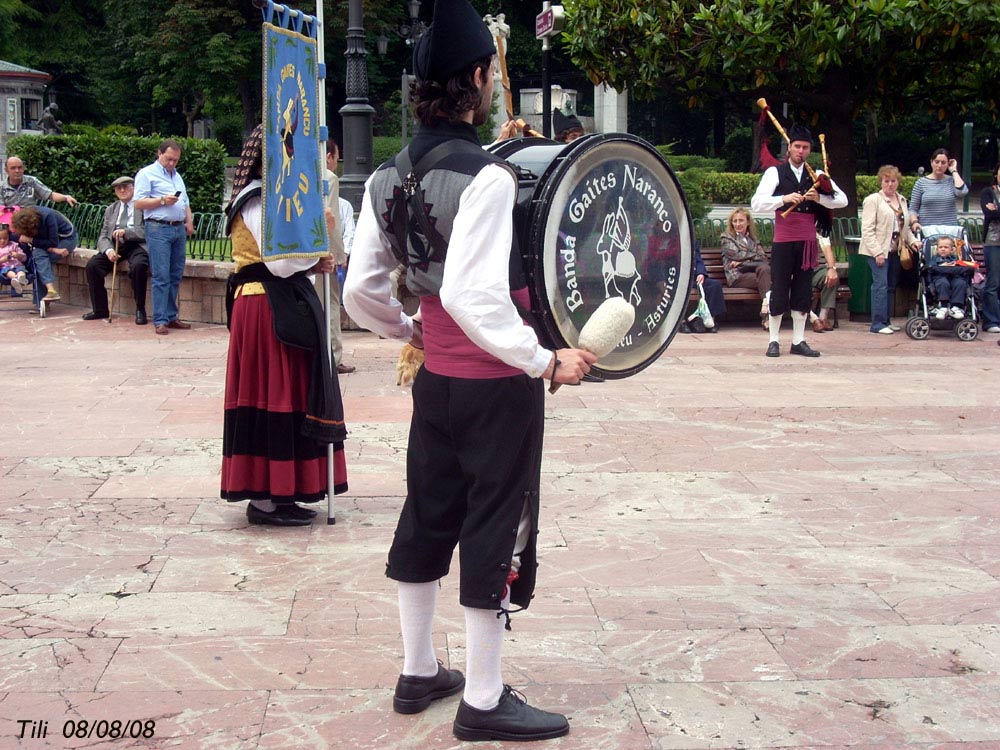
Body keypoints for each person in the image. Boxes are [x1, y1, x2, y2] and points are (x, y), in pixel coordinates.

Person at [343, 0, 594, 740]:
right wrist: (545, 358)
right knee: (493, 524)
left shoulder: (386, 176)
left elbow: (361, 289)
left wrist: (410, 327)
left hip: (436, 381)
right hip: (492, 387)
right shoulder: (484, 178)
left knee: (428, 512)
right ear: (480, 79)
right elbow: (478, 297)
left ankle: (418, 671)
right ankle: (483, 699)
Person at [221, 125, 348, 527]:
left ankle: (284, 490)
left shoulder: (273, 197)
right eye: (292, 150)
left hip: (280, 302)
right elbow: (278, 262)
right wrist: (315, 252)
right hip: (264, 304)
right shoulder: (257, 199)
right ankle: (265, 498)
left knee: (289, 394)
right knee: (270, 395)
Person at [750, 125, 846, 358]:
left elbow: (842, 200)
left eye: (805, 148)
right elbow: (756, 203)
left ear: (809, 150)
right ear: (789, 148)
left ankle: (798, 340)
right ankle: (773, 340)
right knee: (779, 288)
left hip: (807, 242)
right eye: (797, 147)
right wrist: (783, 198)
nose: (801, 151)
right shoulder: (775, 173)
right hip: (783, 239)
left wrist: (820, 198)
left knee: (803, 290)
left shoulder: (817, 176)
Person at [133, 139, 194, 335]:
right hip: (158, 228)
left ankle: (171, 315)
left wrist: (189, 221)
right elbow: (138, 203)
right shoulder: (146, 174)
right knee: (161, 275)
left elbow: (185, 201)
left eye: (175, 160)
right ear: (159, 154)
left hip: (178, 229)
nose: (172, 164)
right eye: (168, 159)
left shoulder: (177, 177)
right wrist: (161, 200)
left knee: (176, 274)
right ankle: (160, 319)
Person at [859, 165, 921, 335]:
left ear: (898, 182)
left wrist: (914, 241)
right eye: (886, 181)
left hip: (896, 250)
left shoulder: (901, 200)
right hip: (878, 250)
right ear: (881, 182)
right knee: (880, 285)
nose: (890, 184)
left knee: (891, 286)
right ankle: (877, 323)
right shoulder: (873, 200)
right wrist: (877, 252)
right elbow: (867, 229)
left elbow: (905, 227)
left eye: (893, 181)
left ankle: (886, 320)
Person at [314, 139, 356, 374]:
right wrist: (338, 255)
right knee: (329, 302)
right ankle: (332, 355)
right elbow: (331, 222)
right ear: (328, 156)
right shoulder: (327, 179)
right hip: (322, 253)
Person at [83, 176, 149, 324]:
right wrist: (108, 251)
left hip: (138, 245)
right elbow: (103, 235)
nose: (122, 190)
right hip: (116, 244)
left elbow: (148, 232)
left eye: (126, 186)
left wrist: (127, 232)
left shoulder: (143, 206)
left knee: (138, 267)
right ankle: (100, 310)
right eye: (118, 188)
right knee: (93, 266)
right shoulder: (111, 209)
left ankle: (140, 309)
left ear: (134, 188)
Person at [10, 206, 77, 302]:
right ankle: (45, 297)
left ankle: (43, 299)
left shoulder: (48, 217)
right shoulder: (23, 217)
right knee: (36, 257)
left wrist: (31, 240)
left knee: (39, 256)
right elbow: (15, 236)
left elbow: (52, 242)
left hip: (67, 239)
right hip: (47, 242)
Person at [719, 207, 771, 325]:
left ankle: (766, 310)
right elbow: (737, 256)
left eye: (741, 220)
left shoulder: (753, 239)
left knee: (765, 269)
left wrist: (743, 263)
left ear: (748, 222)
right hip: (737, 277)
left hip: (755, 275)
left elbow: (763, 258)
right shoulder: (726, 238)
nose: (738, 224)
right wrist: (751, 258)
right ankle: (768, 315)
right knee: (769, 279)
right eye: (735, 221)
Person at [909, 148, 968, 233]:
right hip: (926, 231)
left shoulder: (952, 181)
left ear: (948, 164)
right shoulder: (921, 183)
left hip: (949, 232)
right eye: (937, 162)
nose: (939, 165)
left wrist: (954, 171)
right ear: (931, 162)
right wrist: (915, 222)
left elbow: (962, 192)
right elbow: (913, 209)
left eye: (943, 163)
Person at [680, 240, 725, 333]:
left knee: (715, 285)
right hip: (679, 278)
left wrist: (701, 273)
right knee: (680, 290)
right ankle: (682, 322)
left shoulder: (692, 240)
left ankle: (710, 322)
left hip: (694, 278)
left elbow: (698, 260)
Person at [0, 156, 78, 208]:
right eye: (13, 168)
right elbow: (1, 210)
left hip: (30, 219)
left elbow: (49, 195)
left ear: (23, 169)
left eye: (19, 168)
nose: (17, 171)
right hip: (10, 219)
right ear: (6, 170)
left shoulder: (31, 181)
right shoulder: (1, 187)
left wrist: (65, 197)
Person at [927, 235, 970, 320]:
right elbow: (929, 268)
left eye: (946, 247)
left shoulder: (956, 259)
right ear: (937, 249)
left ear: (952, 250)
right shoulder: (934, 259)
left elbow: (964, 268)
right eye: (940, 247)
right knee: (943, 283)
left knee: (960, 283)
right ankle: (944, 306)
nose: (943, 249)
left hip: (954, 278)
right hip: (940, 278)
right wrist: (941, 266)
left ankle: (956, 307)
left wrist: (954, 265)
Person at [980, 163, 1000, 333]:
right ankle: (991, 321)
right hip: (993, 243)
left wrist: (998, 209)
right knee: (993, 281)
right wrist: (994, 211)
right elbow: (989, 214)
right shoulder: (988, 192)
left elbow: (996, 213)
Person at [0, 225, 29, 295]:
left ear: (9, 237)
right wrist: (2, 260)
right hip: (5, 267)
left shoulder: (14, 245)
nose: (2, 241)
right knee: (7, 271)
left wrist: (18, 255)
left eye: (5, 238)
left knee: (21, 270)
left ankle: (20, 278)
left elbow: (24, 258)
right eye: (0, 238)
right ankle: (16, 278)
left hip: (18, 265)